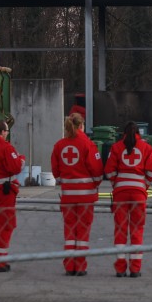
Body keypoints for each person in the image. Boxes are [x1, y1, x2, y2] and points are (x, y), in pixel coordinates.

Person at [105, 121, 152, 278]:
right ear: (138, 133)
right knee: (137, 230)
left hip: (120, 194)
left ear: (123, 133)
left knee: (120, 230)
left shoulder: (116, 147)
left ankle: (120, 269)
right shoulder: (146, 148)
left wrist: (117, 184)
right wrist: (144, 186)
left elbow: (108, 170)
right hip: (138, 195)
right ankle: (135, 269)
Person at [51, 112, 103, 276]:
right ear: (81, 126)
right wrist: (95, 183)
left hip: (67, 196)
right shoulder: (88, 144)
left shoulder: (59, 145)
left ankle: (69, 265)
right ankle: (80, 266)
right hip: (86, 197)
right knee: (82, 232)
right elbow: (97, 171)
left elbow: (55, 171)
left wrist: (64, 180)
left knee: (69, 232)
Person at [0, 120, 25, 272]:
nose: (7, 134)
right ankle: (0, 262)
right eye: (7, 131)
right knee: (5, 225)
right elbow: (15, 168)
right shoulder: (6, 147)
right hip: (3, 191)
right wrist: (21, 159)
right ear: (2, 132)